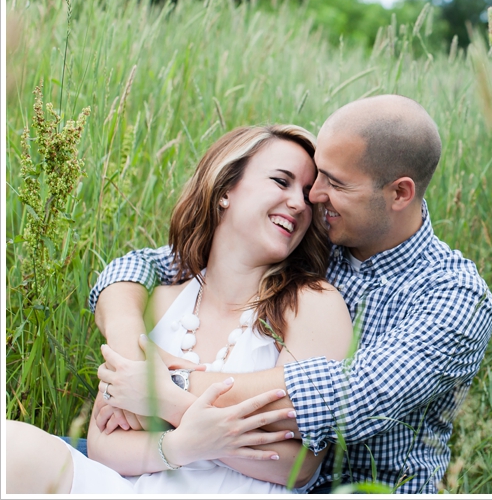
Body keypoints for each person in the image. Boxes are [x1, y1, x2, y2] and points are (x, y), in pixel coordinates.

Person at [88, 95, 492, 493]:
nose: (313, 197)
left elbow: (342, 401)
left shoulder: (455, 297)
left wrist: (163, 387)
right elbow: (144, 265)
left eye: (334, 183)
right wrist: (128, 349)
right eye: (317, 176)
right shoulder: (317, 236)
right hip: (212, 469)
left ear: (399, 194)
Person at [6, 124, 353, 494]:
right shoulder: (160, 303)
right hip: (133, 486)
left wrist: (171, 406)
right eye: (281, 182)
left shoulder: (313, 303)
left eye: (306, 194)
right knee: (11, 446)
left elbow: (300, 466)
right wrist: (181, 445)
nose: (300, 203)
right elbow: (104, 443)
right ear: (225, 190)